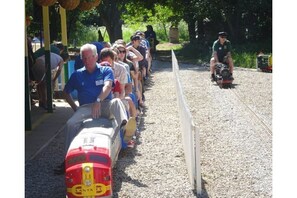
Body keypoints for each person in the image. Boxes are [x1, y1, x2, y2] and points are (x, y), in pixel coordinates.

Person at [55, 43, 136, 174]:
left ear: (96, 56)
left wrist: (98, 100)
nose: (87, 60)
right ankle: (67, 159)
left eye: (89, 57)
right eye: (84, 58)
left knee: (116, 102)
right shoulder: (77, 74)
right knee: (70, 124)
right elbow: (65, 92)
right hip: (86, 108)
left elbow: (108, 86)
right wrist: (75, 108)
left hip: (105, 104)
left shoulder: (106, 70)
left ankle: (126, 130)